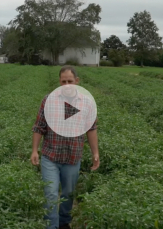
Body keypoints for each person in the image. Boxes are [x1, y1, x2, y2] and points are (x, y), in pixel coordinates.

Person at [31, 65, 100, 229]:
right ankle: (51, 225)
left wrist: (95, 152)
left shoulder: (87, 103)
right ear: (59, 82)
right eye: (63, 81)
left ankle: (64, 222)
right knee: (51, 194)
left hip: (72, 157)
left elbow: (91, 129)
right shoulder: (48, 100)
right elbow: (39, 126)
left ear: (77, 81)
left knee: (68, 194)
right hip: (50, 156)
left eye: (70, 81)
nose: (67, 84)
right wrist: (34, 150)